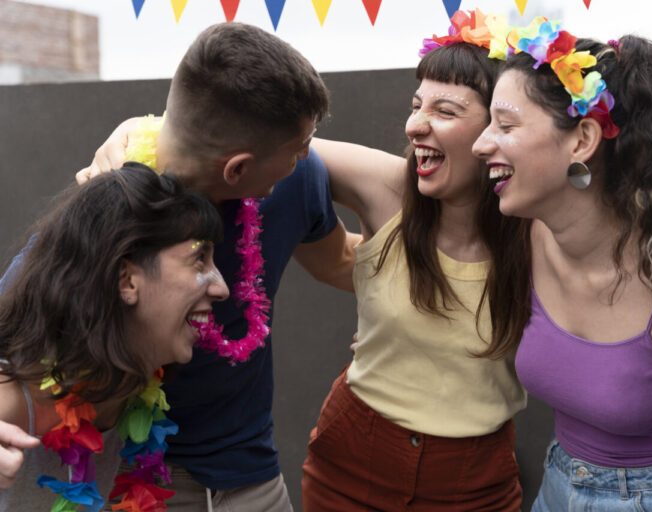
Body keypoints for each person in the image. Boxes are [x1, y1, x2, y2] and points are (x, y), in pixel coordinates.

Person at [30, 22, 356, 512]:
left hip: (256, 482)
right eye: (298, 149)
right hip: (138, 482)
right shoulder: (116, 201)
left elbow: (342, 263)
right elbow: (20, 321)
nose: (309, 157)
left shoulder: (294, 178)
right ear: (238, 169)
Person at [472, 17, 652, 510]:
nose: (483, 143)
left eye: (505, 125)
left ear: (583, 140)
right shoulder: (521, 234)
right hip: (558, 488)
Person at [301, 10, 529, 511]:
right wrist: (137, 132)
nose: (415, 125)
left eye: (445, 111)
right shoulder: (389, 188)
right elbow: (264, 139)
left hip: (476, 484)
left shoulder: (537, 224)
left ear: (499, 129)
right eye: (415, 105)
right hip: (350, 465)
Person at [0, 163, 229, 511]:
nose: (222, 288)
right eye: (199, 260)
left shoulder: (129, 395)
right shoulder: (9, 403)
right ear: (126, 280)